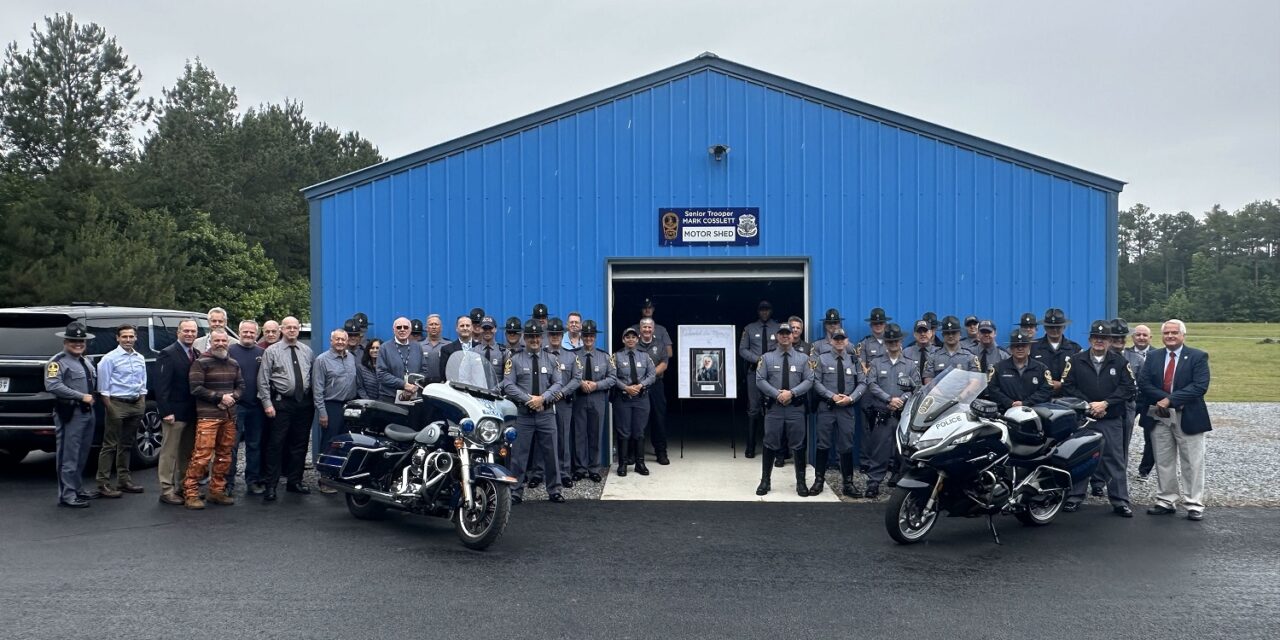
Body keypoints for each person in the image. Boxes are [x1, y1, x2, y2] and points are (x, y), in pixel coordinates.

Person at [1139, 320, 1212, 521]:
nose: (1170, 336)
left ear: (1183, 335)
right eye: (1167, 333)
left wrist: (1170, 400)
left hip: (1188, 416)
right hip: (1159, 416)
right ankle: (1166, 500)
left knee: (1193, 462)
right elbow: (1143, 383)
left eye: (1174, 333)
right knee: (1163, 459)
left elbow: (1200, 386)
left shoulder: (1197, 356)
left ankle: (1194, 503)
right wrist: (1162, 401)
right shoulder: (1153, 356)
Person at [1062, 320, 1137, 516]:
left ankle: (1120, 501)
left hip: (1111, 417)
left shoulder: (1120, 362)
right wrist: (1089, 405)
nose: (1099, 341)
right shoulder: (1076, 361)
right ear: (1090, 339)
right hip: (1084, 418)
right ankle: (1075, 497)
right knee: (1079, 457)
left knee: (1115, 459)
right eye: (1096, 337)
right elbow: (1068, 387)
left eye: (1103, 338)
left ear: (1109, 341)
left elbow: (1128, 387)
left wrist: (1105, 403)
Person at [502, 320, 566, 503]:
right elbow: (508, 385)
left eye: (537, 336)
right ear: (525, 337)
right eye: (530, 336)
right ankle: (515, 492)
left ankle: (554, 490)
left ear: (542, 337)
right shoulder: (514, 360)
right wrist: (529, 399)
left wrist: (542, 398)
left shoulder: (552, 359)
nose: (534, 340)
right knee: (519, 455)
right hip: (524, 415)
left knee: (552, 453)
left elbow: (558, 383)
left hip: (546, 414)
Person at [184, 328, 244, 510]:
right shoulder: (201, 362)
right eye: (216, 341)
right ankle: (191, 493)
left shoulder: (233, 363)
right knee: (201, 456)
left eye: (223, 341)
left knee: (224, 456)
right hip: (208, 417)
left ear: (228, 342)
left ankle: (216, 491)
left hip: (229, 416)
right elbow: (196, 388)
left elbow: (241, 385)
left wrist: (233, 397)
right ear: (211, 342)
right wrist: (220, 398)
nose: (220, 344)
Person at [257, 316, 315, 502]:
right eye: (288, 327)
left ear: (299, 329)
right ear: (282, 329)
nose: (292, 330)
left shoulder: (307, 351)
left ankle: (294, 481)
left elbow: (312, 377)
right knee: (276, 444)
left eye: (295, 327)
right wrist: (267, 403)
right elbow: (263, 380)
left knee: (300, 444)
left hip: (303, 404)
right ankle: (271, 485)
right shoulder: (272, 352)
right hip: (281, 404)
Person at [754, 324, 813, 496]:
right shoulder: (766, 358)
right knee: (770, 442)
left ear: (793, 336)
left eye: (788, 333)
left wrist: (792, 393)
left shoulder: (803, 359)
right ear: (777, 337)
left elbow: (809, 380)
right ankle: (765, 481)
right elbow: (760, 379)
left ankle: (801, 483)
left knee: (798, 444)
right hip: (775, 408)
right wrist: (776, 394)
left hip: (795, 408)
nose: (786, 336)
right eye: (782, 334)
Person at [45, 322, 99, 508]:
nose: (78, 343)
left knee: (82, 453)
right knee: (68, 454)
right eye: (74, 340)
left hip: (87, 412)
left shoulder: (85, 360)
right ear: (66, 341)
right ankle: (66, 495)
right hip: (70, 412)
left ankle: (76, 488)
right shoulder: (57, 361)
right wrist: (81, 396)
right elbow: (53, 385)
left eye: (81, 340)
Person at [864, 323, 921, 499]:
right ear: (886, 343)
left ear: (901, 341)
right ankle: (874, 482)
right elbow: (871, 384)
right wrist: (889, 399)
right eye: (890, 341)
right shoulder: (876, 362)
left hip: (903, 415)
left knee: (903, 452)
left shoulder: (910, 365)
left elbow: (916, 387)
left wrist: (900, 400)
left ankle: (902, 484)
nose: (893, 344)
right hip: (883, 414)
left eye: (896, 340)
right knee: (879, 450)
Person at [810, 329, 866, 497]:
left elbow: (863, 383)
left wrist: (851, 398)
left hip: (847, 409)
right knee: (823, 443)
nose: (840, 341)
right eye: (837, 339)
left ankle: (848, 483)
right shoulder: (822, 359)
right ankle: (819, 480)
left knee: (846, 445)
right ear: (831, 341)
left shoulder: (855, 360)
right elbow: (815, 382)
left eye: (842, 338)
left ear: (847, 341)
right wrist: (831, 396)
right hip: (827, 408)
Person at [94, 324, 147, 497]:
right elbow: (103, 387)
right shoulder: (109, 359)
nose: (128, 340)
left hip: (136, 403)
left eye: (131, 336)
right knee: (110, 445)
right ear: (117, 338)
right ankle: (103, 483)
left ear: (136, 338)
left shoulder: (140, 358)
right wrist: (110, 407)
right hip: (117, 403)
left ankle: (124, 480)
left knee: (127, 444)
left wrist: (142, 402)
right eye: (124, 337)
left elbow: (143, 382)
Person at [155, 318, 200, 506]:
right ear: (178, 332)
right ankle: (167, 490)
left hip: (191, 412)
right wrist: (166, 411)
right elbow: (161, 386)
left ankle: (183, 487)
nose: (189, 334)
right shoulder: (168, 353)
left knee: (186, 453)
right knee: (169, 453)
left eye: (193, 331)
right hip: (174, 413)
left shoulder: (196, 353)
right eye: (186, 331)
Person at [312, 328, 359, 494]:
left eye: (343, 339)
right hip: (331, 405)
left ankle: (338, 476)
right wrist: (322, 412)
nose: (340, 342)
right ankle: (325, 479)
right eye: (337, 339)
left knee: (345, 442)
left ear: (347, 342)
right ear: (331, 341)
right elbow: (317, 389)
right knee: (329, 443)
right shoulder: (322, 360)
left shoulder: (351, 358)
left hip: (349, 406)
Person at [571, 320, 614, 483]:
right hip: (579, 399)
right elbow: (568, 376)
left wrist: (596, 385)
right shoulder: (574, 356)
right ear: (582, 336)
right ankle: (580, 468)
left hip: (597, 399)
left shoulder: (604, 357)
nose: (588, 338)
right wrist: (580, 383)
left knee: (596, 434)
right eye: (586, 335)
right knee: (579, 434)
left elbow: (612, 378)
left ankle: (594, 468)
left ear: (595, 337)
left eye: (591, 335)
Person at [227, 319, 266, 495]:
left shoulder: (262, 353)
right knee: (231, 446)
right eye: (245, 332)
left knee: (254, 445)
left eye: (252, 332)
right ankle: (228, 483)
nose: (249, 335)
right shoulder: (230, 351)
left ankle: (253, 480)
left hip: (256, 407)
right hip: (236, 406)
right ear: (239, 331)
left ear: (257, 334)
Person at [739, 300, 781, 458]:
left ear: (771, 311)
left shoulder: (778, 328)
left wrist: (769, 360)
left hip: (773, 373)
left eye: (767, 310)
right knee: (753, 409)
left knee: (773, 408)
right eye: (762, 310)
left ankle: (773, 447)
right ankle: (750, 446)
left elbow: (782, 346)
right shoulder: (749, 329)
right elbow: (742, 350)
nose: (764, 312)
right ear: (758, 311)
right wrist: (757, 359)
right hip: (754, 372)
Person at [612, 327, 656, 477]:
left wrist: (640, 385)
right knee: (624, 432)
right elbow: (612, 377)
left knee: (639, 432)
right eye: (627, 337)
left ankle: (640, 463)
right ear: (623, 340)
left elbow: (652, 375)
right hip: (623, 399)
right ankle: (623, 464)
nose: (630, 339)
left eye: (633, 337)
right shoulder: (616, 357)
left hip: (641, 399)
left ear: (637, 339)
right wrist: (626, 387)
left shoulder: (645, 357)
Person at [542, 318, 581, 488]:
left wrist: (562, 393)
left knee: (563, 438)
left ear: (561, 334)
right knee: (543, 438)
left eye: (558, 334)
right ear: (548, 335)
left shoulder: (571, 356)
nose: (555, 337)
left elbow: (577, 378)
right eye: (552, 334)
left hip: (564, 403)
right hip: (545, 403)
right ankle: (539, 472)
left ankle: (564, 473)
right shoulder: (541, 354)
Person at [985, 330, 1052, 411]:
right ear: (1011, 348)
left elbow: (1046, 391)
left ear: (1029, 347)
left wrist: (1025, 403)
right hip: (1005, 413)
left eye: (1023, 345)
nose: (1020, 348)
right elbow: (993, 390)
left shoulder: (1041, 369)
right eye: (1016, 345)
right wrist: (1009, 403)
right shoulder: (998, 368)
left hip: (1034, 412)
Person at [637, 317, 672, 465]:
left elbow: (664, 364)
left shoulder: (660, 345)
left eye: (649, 327)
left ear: (653, 329)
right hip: (639, 387)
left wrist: (649, 377)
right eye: (644, 327)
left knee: (658, 418)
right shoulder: (633, 344)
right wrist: (642, 381)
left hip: (656, 385)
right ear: (640, 329)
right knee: (638, 420)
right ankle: (635, 453)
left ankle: (661, 452)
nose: (646, 330)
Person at [1126, 324, 1157, 477]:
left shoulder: (1159, 354)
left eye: (1145, 335)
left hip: (1150, 401)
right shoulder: (1125, 354)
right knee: (1124, 434)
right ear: (1132, 337)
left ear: (1150, 338)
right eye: (1138, 335)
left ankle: (1144, 471)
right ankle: (1119, 467)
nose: (1141, 338)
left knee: (1151, 436)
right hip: (1131, 400)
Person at [1031, 308, 1082, 395]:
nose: (1054, 330)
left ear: (1064, 327)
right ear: (1045, 327)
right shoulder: (1033, 347)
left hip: (1067, 398)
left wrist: (1062, 384)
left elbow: (1081, 376)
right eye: (1051, 327)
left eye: (1058, 327)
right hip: (1039, 398)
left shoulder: (1075, 349)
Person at [376, 317, 428, 402]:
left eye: (406, 327)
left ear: (410, 330)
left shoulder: (417, 347)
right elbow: (381, 374)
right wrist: (404, 385)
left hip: (413, 396)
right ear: (394, 330)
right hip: (390, 398)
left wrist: (413, 386)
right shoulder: (384, 348)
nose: (402, 330)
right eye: (399, 327)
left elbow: (424, 371)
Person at [923, 315, 980, 385]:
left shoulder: (970, 357)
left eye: (954, 332)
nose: (950, 336)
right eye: (947, 333)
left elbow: (974, 382)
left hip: (964, 395)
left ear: (960, 334)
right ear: (943, 335)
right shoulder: (933, 357)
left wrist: (962, 396)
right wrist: (939, 394)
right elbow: (929, 381)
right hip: (938, 395)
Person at [439, 315, 477, 380]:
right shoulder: (446, 350)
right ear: (456, 328)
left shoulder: (479, 347)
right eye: (462, 326)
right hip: (455, 388)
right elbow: (443, 374)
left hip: (477, 388)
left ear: (472, 328)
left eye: (467, 325)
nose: (465, 328)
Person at [474, 317, 505, 385]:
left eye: (490, 328)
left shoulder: (504, 352)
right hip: (476, 391)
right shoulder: (473, 351)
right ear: (479, 329)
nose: (487, 331)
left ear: (495, 329)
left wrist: (497, 389)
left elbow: (509, 377)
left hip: (498, 393)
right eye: (484, 328)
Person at [421, 314, 447, 382]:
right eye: (431, 324)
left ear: (441, 327)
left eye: (436, 324)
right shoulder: (419, 346)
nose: (434, 327)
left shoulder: (448, 345)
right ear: (426, 328)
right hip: (423, 385)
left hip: (443, 385)